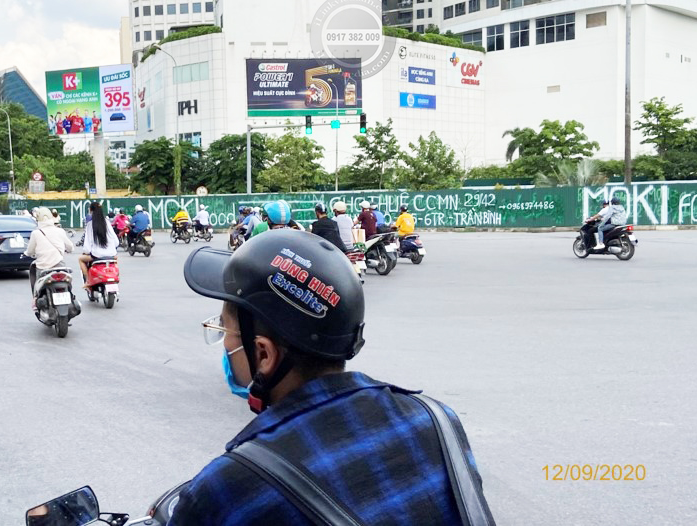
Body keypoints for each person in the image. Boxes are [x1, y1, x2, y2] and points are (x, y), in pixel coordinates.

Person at [174, 230, 493, 525]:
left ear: (264, 354)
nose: (225, 343)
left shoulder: (228, 487)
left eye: (225, 330)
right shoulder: (438, 422)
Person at [23, 207, 74, 308]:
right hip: (59, 266)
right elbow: (70, 247)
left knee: (37, 288)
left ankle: (36, 300)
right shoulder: (60, 231)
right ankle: (71, 297)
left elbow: (30, 251)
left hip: (43, 268)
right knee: (68, 283)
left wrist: (27, 253)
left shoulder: (36, 233)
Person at [78, 202, 118, 289]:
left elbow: (87, 248)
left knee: (80, 259)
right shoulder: (107, 223)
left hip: (97, 255)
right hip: (111, 255)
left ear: (91, 210)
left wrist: (85, 252)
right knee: (115, 261)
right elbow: (116, 242)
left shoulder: (89, 225)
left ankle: (88, 281)